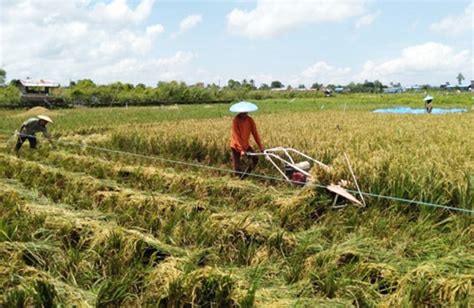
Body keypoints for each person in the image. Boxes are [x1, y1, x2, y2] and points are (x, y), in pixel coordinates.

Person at [229, 101, 264, 177]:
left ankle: (246, 175)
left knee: (255, 158)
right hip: (236, 146)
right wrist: (241, 150)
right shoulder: (236, 121)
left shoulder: (250, 120)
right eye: (243, 112)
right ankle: (237, 178)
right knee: (237, 168)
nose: (245, 114)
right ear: (240, 112)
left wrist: (261, 147)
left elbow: (255, 134)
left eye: (246, 112)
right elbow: (236, 136)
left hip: (246, 145)